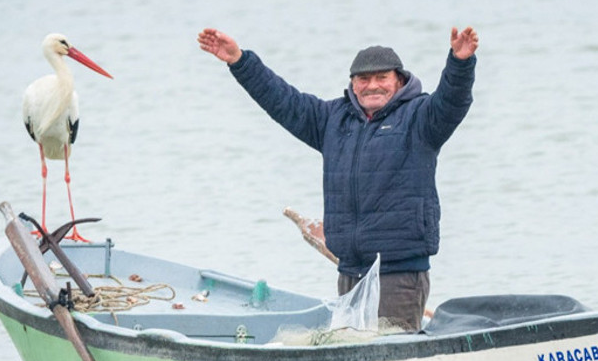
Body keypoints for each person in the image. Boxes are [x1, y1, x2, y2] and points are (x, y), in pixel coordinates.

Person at [197, 27, 478, 332]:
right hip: (350, 273)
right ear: (353, 85)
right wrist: (240, 61)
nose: (372, 85)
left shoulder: (420, 118)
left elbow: (453, 101)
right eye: (364, 79)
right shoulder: (333, 120)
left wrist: (460, 63)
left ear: (398, 81)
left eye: (381, 78)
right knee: (354, 359)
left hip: (399, 276)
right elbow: (283, 101)